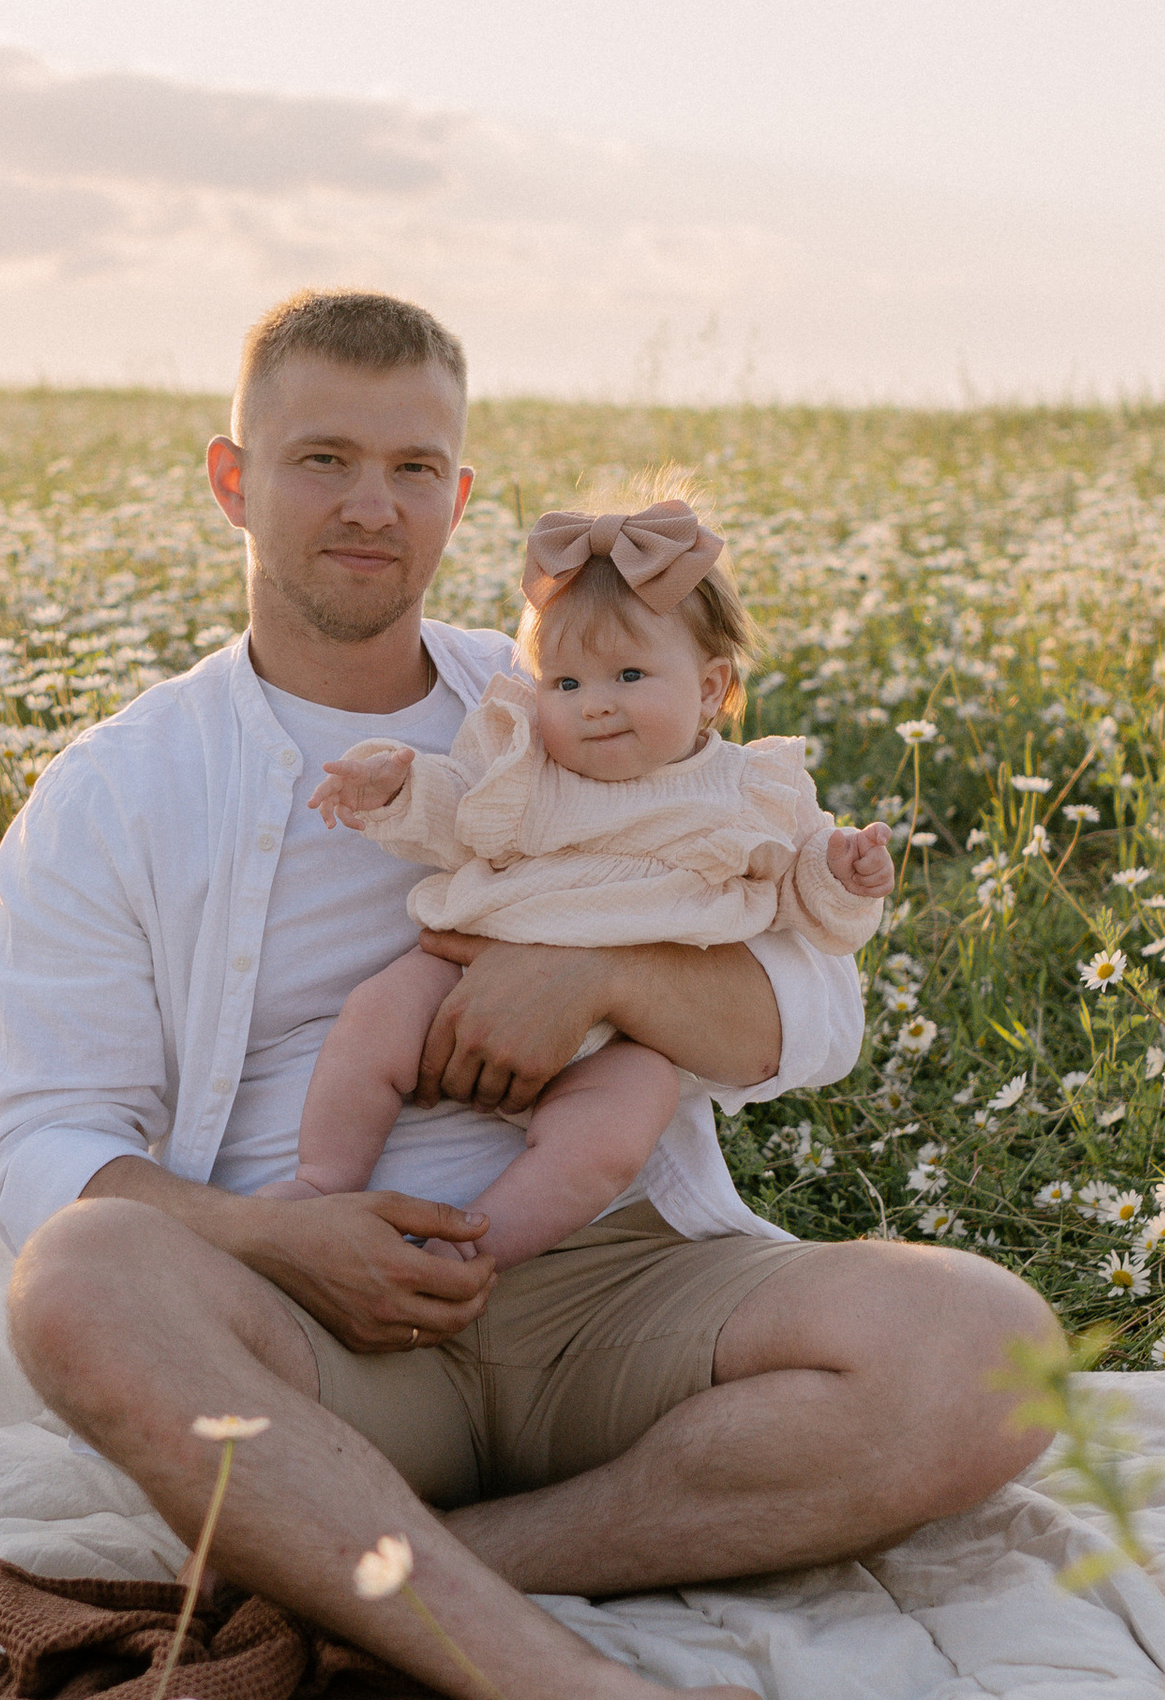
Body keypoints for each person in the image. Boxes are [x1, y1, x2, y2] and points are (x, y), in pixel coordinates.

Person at [0, 289, 1054, 1700]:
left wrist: (600, 977)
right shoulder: (114, 793)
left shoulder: (570, 696)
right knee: (80, 1274)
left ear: (463, 496)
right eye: (323, 460)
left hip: (604, 1278)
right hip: (326, 1340)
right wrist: (283, 1233)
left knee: (989, 1348)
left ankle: (399, 1573)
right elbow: (41, 1141)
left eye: (416, 467)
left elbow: (810, 1015)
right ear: (232, 480)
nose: (371, 505)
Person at [271, 488, 894, 1269]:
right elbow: (459, 818)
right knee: (375, 1016)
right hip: (469, 963)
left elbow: (800, 898)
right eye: (566, 684)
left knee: (619, 1125)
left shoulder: (749, 792)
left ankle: (474, 1248)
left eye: (629, 675)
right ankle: (324, 1182)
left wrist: (841, 871)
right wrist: (397, 789)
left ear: (709, 689)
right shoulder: (525, 761)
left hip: (627, 1034)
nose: (594, 706)